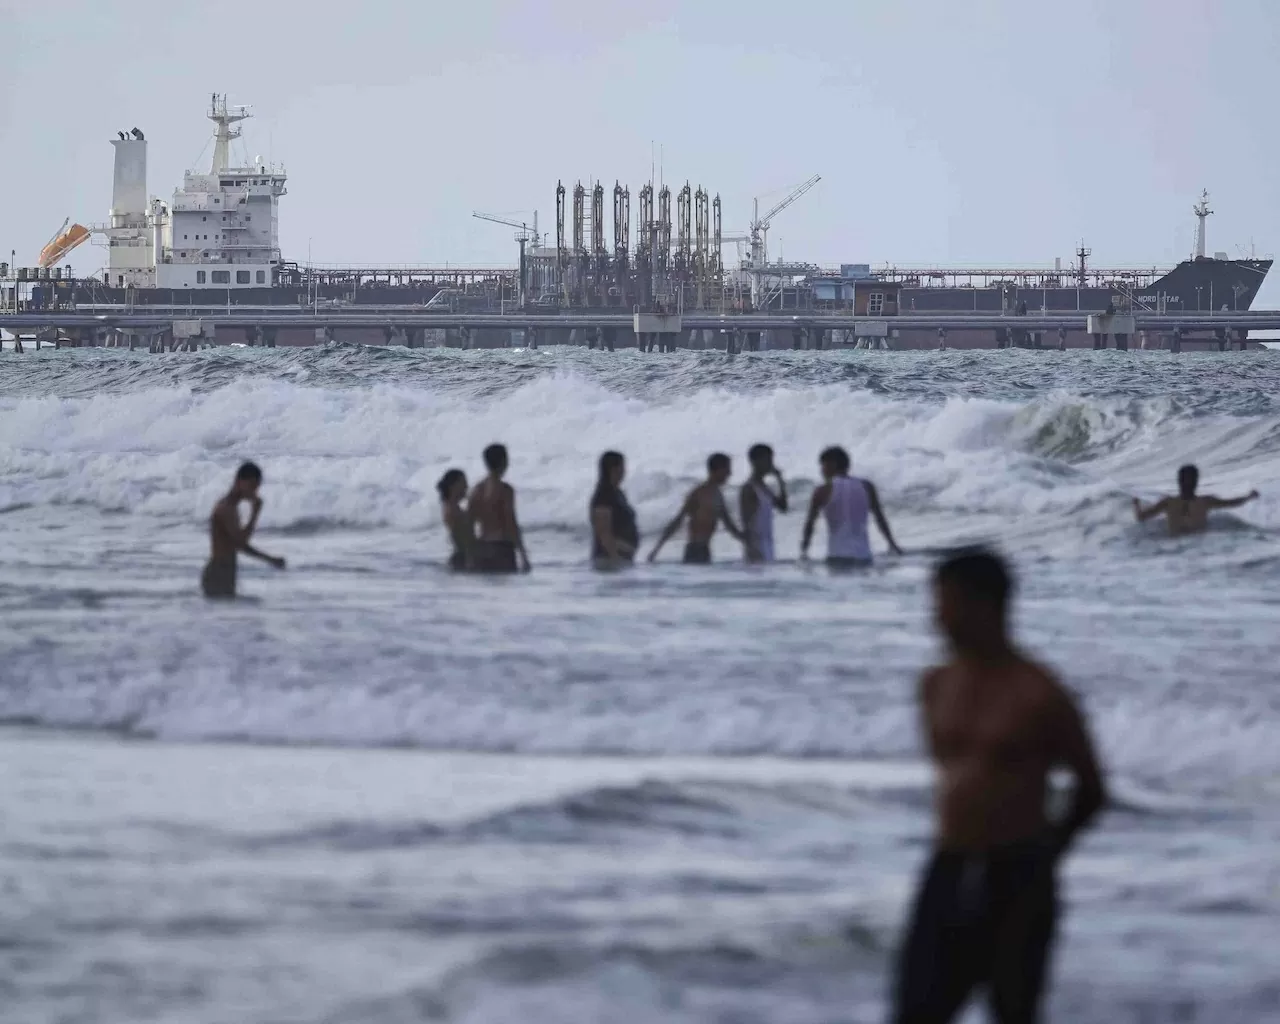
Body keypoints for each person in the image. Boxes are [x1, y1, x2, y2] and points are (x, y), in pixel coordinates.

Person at [892, 548, 1107, 1024]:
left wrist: (1047, 853)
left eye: (947, 606)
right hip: (949, 865)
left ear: (985, 606)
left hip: (1018, 873)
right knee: (916, 1009)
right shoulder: (936, 684)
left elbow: (1092, 788)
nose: (938, 619)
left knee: (1013, 1011)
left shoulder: (1038, 691)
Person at [800, 445, 902, 567]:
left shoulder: (823, 490)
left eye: (823, 465)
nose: (821, 470)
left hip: (837, 557)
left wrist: (804, 552)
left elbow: (810, 525)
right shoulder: (867, 486)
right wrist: (892, 544)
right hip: (864, 556)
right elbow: (880, 519)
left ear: (832, 464)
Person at [201, 461, 286, 598]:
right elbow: (240, 543)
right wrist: (255, 514)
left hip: (225, 571)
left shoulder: (231, 507)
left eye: (256, 487)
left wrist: (270, 559)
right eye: (252, 486)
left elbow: (236, 543)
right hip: (218, 573)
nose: (254, 491)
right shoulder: (226, 508)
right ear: (239, 481)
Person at [647, 452, 746, 564]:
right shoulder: (699, 493)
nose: (730, 473)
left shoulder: (718, 495)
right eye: (727, 469)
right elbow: (678, 521)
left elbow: (729, 526)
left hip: (705, 550)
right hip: (694, 550)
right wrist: (657, 549)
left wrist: (747, 541)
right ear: (717, 470)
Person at [1133, 464, 1259, 536]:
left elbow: (1141, 517)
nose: (1188, 483)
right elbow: (1231, 503)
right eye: (1188, 480)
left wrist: (1136, 503)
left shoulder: (1169, 502)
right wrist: (1248, 497)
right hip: (1195, 547)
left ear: (1179, 481)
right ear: (1196, 481)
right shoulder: (1204, 502)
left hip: (1180, 547)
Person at [467, 443, 531, 573]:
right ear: (503, 462)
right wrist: (523, 554)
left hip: (482, 547)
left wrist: (470, 555)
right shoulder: (505, 490)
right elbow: (511, 522)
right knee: (506, 585)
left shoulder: (476, 490)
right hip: (502, 548)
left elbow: (469, 524)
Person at [740, 443, 788, 563]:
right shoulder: (749, 488)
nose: (771, 464)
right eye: (768, 460)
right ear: (755, 461)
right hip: (756, 546)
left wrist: (780, 481)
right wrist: (751, 547)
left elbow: (783, 507)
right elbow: (746, 521)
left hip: (768, 544)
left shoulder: (764, 488)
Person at [590, 450, 639, 569]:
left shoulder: (617, 493)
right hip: (609, 559)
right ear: (614, 469)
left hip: (622, 558)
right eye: (622, 467)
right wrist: (615, 557)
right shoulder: (603, 495)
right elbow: (604, 533)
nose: (625, 471)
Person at [437, 468, 472, 571]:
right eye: (463, 483)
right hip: (463, 558)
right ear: (453, 486)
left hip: (461, 556)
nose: (466, 487)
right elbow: (464, 539)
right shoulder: (452, 509)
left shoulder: (452, 507)